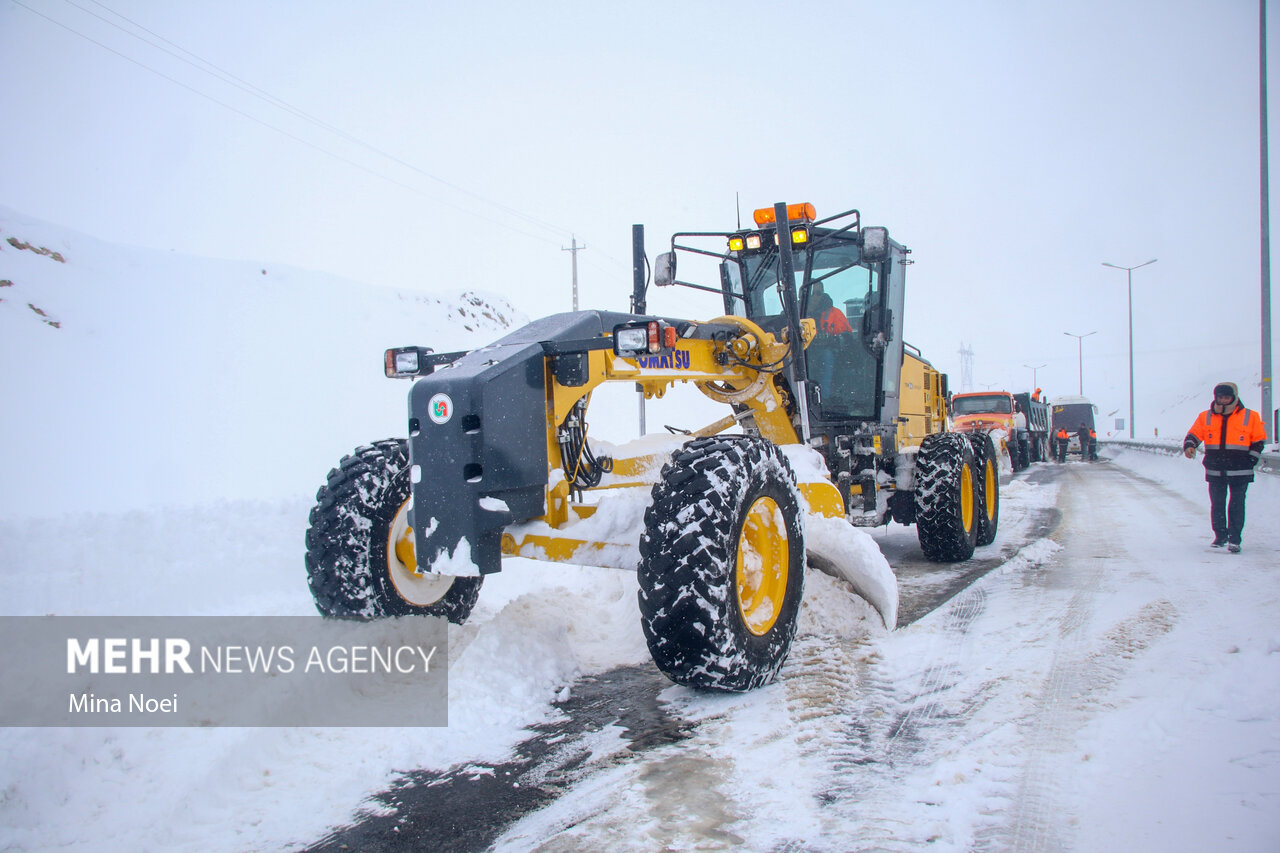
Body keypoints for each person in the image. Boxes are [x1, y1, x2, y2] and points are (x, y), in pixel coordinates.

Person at [1183, 381, 1268, 552]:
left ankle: (1235, 538)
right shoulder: (1205, 417)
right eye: (1220, 397)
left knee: (1237, 504)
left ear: (1234, 397)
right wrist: (1189, 445)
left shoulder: (1250, 416)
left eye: (1227, 397)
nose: (1223, 400)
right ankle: (1220, 536)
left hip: (1241, 469)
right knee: (1218, 504)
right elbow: (1194, 434)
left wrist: (1251, 459)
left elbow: (1258, 441)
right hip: (1215, 469)